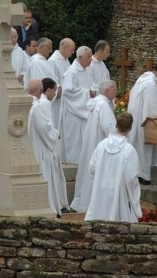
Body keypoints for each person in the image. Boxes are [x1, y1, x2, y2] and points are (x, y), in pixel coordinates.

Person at [85, 112, 141, 223]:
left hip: (100, 190)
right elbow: (131, 178)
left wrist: (100, 180)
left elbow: (91, 168)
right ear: (130, 128)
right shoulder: (129, 151)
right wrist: (134, 197)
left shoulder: (101, 145)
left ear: (116, 126)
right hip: (119, 193)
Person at [70, 80, 117, 213]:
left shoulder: (96, 102)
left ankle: (84, 202)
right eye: (114, 89)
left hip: (92, 142)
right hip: (100, 143)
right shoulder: (103, 105)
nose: (115, 92)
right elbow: (109, 127)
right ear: (106, 91)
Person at [27, 78, 69, 215]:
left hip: (30, 146)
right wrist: (56, 134)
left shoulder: (24, 103)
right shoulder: (37, 106)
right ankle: (48, 207)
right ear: (41, 91)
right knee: (45, 178)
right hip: (40, 148)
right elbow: (45, 128)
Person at [126, 60, 157, 182]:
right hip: (145, 120)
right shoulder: (151, 84)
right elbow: (151, 107)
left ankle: (137, 172)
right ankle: (145, 175)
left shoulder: (141, 79)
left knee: (138, 146)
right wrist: (155, 123)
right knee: (146, 149)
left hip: (135, 118)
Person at [60, 46, 96, 164]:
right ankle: (73, 165)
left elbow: (93, 85)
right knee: (75, 143)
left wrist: (93, 90)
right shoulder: (72, 72)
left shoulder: (88, 70)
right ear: (80, 57)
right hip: (74, 114)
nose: (91, 59)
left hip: (84, 112)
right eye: (88, 57)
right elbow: (68, 92)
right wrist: (87, 93)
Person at [48, 38, 75, 129]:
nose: (73, 53)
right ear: (65, 47)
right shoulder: (52, 61)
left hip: (66, 99)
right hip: (57, 100)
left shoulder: (66, 60)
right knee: (57, 124)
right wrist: (58, 89)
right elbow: (51, 79)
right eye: (72, 50)